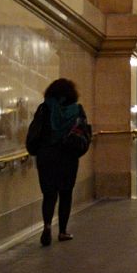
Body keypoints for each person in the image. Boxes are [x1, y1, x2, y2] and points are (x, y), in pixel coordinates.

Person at [29, 78, 87, 246]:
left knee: (49, 194)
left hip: (46, 155)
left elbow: (36, 131)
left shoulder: (44, 108)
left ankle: (47, 226)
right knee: (65, 193)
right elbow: (83, 131)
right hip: (68, 155)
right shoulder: (76, 110)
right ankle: (62, 231)